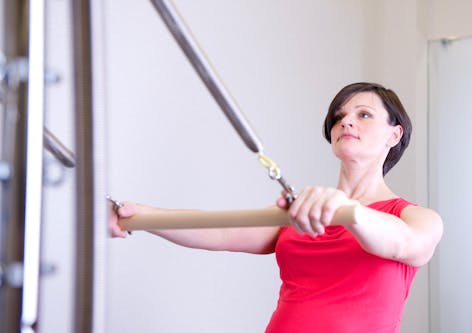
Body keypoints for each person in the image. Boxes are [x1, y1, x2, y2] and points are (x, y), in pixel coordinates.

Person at [109, 82, 443, 332]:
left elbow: (404, 243)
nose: (346, 122)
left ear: (394, 135)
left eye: (364, 115)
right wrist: (135, 215)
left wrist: (347, 209)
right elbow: (222, 230)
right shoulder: (303, 213)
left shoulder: (415, 217)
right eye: (339, 117)